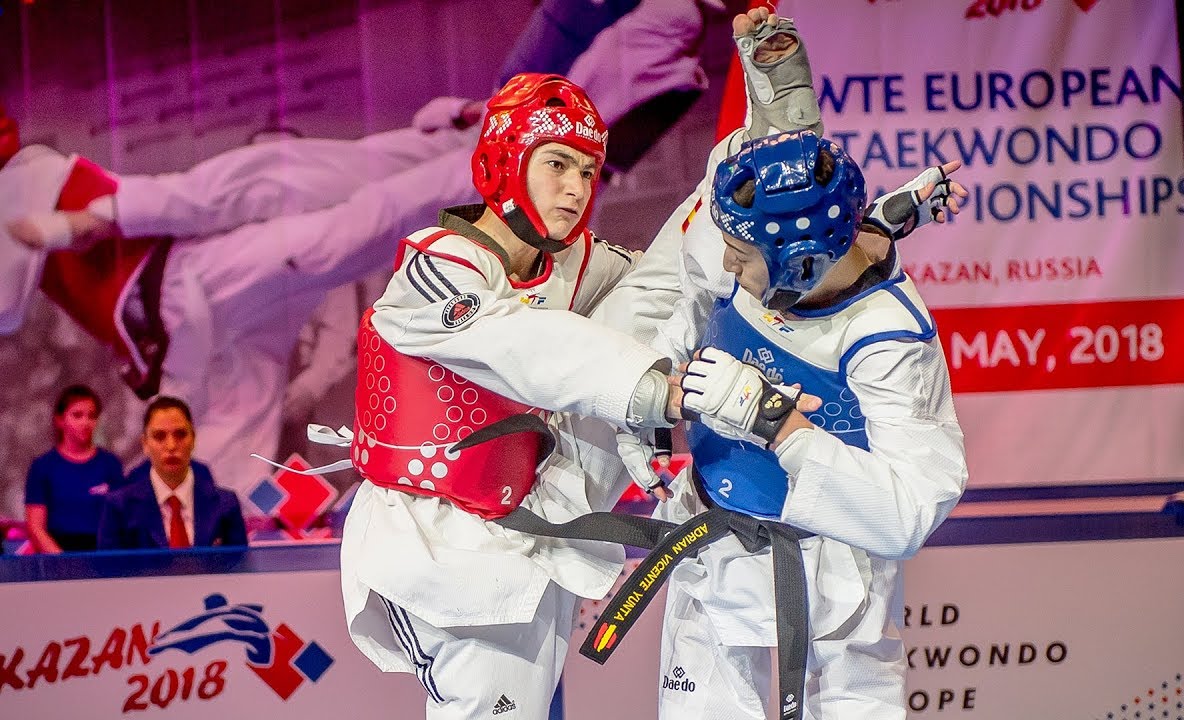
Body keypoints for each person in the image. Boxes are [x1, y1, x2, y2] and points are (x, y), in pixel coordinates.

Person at [0, 0, 714, 501]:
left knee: (362, 203)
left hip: (186, 290)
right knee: (365, 213)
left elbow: (193, 199)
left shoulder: (243, 180)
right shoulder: (210, 353)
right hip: (191, 309)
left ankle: (618, 72)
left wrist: (95, 217)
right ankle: (621, 72)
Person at [581, 11, 969, 720]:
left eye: (742, 256)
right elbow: (691, 304)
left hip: (835, 575)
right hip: (714, 533)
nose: (726, 263)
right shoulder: (756, 246)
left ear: (801, 264)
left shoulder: (888, 339)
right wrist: (650, 398)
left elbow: (909, 512)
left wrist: (779, 424)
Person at [336, 69, 704, 720]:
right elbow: (518, 342)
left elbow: (662, 284)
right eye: (557, 164)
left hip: (535, 519)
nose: (577, 189)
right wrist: (648, 391)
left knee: (657, 290)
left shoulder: (578, 262)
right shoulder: (435, 263)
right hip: (441, 539)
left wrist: (744, 160)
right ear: (503, 163)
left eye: (588, 171)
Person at [98, 396, 248, 550]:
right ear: (145, 444)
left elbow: (240, 564)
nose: (171, 446)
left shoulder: (226, 505)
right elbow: (109, 565)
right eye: (159, 436)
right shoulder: (119, 508)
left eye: (180, 434)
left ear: (193, 439)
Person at [24, 384, 125, 552]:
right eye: (77, 415)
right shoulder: (42, 467)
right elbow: (36, 529)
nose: (85, 422)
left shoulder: (111, 464)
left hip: (104, 556)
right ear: (60, 420)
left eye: (92, 416)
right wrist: (63, 562)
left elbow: (121, 521)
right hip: (57, 556)